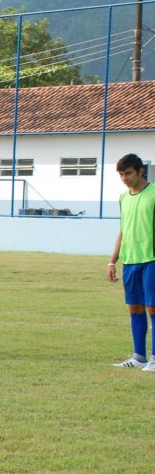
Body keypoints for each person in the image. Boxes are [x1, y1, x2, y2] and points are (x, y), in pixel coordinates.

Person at [108, 153, 155, 369]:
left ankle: (154, 359)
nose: (124, 178)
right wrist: (112, 261)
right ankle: (139, 357)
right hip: (130, 261)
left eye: (128, 173)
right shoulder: (123, 197)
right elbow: (123, 230)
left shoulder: (153, 193)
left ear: (140, 171)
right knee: (135, 308)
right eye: (121, 174)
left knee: (153, 309)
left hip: (151, 259)